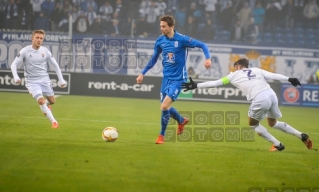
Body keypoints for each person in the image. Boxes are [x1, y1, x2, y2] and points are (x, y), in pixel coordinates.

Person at [182, 58, 313, 151]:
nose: (234, 69)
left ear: (238, 66)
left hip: (260, 98)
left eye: (235, 67)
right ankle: (301, 135)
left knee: (253, 124)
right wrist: (289, 79)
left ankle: (277, 144)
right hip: (271, 95)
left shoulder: (233, 75)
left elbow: (215, 83)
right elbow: (273, 75)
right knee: (272, 122)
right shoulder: (257, 70)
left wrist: (196, 85)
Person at [136, 15, 212, 144]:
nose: (161, 29)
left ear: (171, 27)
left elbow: (202, 45)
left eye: (164, 26)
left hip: (178, 79)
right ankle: (181, 120)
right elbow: (154, 58)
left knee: (164, 106)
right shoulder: (160, 41)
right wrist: (142, 73)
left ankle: (161, 135)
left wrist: (208, 59)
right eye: (160, 26)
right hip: (166, 79)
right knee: (164, 107)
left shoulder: (182, 39)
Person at [11, 29, 66, 129]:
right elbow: (13, 64)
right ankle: (54, 122)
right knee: (41, 101)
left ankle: (47, 105)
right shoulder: (25, 51)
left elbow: (55, 65)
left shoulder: (45, 51)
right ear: (32, 38)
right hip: (31, 82)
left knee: (52, 101)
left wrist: (61, 79)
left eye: (41, 38)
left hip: (45, 80)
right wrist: (16, 77)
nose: (39, 40)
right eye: (37, 37)